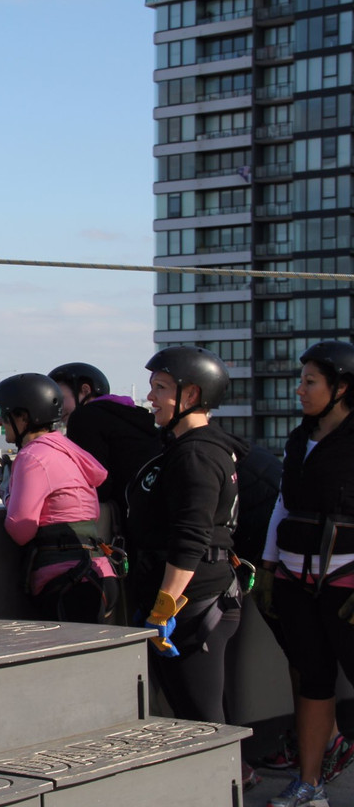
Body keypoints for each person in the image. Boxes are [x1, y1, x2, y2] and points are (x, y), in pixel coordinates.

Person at [124, 346, 247, 726]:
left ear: (191, 395)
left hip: (192, 607)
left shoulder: (196, 455)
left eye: (160, 387)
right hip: (192, 598)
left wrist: (165, 607)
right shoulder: (185, 448)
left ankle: (228, 782)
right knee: (190, 711)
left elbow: (192, 536)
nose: (150, 397)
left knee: (201, 717)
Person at [259, 341, 354, 807]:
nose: (299, 390)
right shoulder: (300, 438)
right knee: (313, 678)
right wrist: (269, 566)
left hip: (346, 579)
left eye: (309, 382)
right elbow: (283, 503)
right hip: (298, 582)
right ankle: (310, 785)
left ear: (342, 387)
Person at [0, 373, 118, 623]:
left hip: (67, 582)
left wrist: (7, 492)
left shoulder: (33, 457)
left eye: (5, 415)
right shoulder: (66, 449)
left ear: (24, 417)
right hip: (99, 573)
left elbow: (20, 529)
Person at [48, 362, 162, 522]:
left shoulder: (84, 417)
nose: (57, 409)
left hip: (128, 521)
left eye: (60, 399)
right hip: (151, 514)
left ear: (85, 390)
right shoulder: (132, 414)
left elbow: (97, 487)